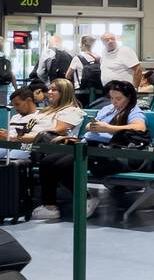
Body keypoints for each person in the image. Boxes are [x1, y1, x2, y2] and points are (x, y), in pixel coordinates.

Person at [35, 80, 145, 221]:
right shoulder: (107, 109)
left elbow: (139, 128)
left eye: (118, 99)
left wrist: (109, 128)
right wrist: (92, 127)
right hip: (85, 145)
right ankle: (50, 206)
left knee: (62, 165)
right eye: (112, 98)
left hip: (104, 151)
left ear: (129, 97)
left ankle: (86, 198)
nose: (114, 102)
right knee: (47, 162)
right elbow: (88, 126)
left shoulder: (134, 111)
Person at [6, 80, 83, 162]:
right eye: (49, 89)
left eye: (54, 90)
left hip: (42, 147)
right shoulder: (45, 111)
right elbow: (28, 128)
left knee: (12, 156)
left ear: (64, 93)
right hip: (26, 143)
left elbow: (58, 132)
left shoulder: (71, 111)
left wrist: (23, 138)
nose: (49, 92)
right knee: (5, 150)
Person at [66, 35, 103, 101]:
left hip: (80, 91)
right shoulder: (98, 58)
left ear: (83, 45)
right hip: (97, 91)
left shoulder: (77, 58)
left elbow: (67, 75)